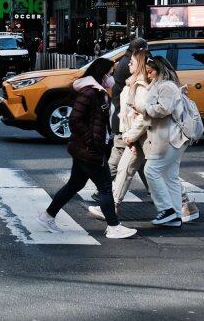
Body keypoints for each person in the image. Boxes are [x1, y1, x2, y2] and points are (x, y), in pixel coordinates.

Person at [38, 58, 136, 240]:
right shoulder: (90, 92)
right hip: (90, 150)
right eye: (110, 72)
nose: (112, 76)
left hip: (86, 148)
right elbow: (75, 119)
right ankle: (114, 226)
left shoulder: (97, 92)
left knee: (75, 184)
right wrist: (92, 141)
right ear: (102, 73)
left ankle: (47, 216)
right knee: (105, 187)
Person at [140, 56, 189, 228]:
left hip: (170, 138)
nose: (149, 75)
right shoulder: (163, 85)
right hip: (169, 137)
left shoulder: (166, 86)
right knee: (170, 177)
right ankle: (175, 215)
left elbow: (163, 109)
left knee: (151, 170)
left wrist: (145, 109)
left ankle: (166, 209)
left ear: (159, 70)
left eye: (151, 71)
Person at [108, 40, 152, 208]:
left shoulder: (140, 85)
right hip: (130, 131)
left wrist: (129, 137)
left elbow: (142, 116)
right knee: (125, 168)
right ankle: (111, 204)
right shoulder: (133, 82)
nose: (127, 65)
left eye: (132, 63)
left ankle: (182, 205)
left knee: (155, 171)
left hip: (137, 134)